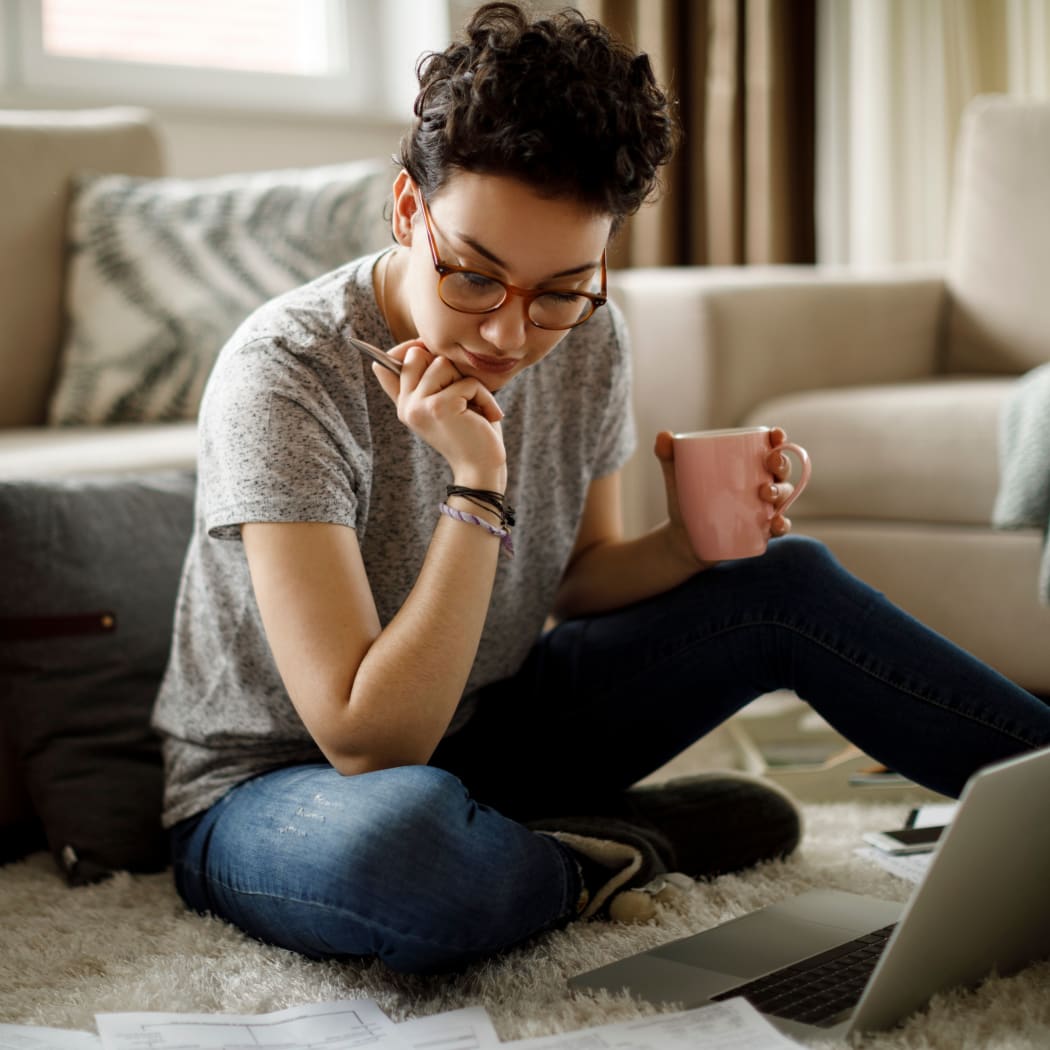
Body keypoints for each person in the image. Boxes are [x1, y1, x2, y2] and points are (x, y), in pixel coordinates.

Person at [153, 2, 1050, 974]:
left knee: (784, 581)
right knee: (406, 856)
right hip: (281, 787)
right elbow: (369, 740)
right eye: (475, 279)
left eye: (561, 290)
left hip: (490, 728)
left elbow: (576, 579)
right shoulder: (287, 370)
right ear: (409, 211)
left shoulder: (591, 337)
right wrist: (479, 487)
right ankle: (613, 848)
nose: (509, 334)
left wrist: (687, 548)